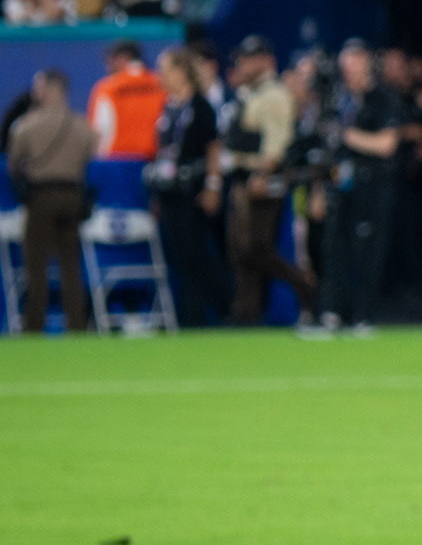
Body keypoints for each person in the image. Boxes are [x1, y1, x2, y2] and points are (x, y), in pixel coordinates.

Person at [221, 34, 317, 325]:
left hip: (261, 179)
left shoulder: (274, 95)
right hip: (243, 177)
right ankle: (246, 310)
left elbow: (276, 143)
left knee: (255, 247)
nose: (242, 64)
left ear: (265, 61)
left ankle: (303, 283)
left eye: (248, 59)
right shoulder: (251, 93)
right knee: (240, 249)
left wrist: (263, 174)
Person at [321, 38, 402, 333]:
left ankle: (363, 315)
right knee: (334, 248)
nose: (349, 73)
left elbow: (387, 144)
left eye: (354, 66)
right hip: (340, 183)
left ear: (366, 63)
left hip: (373, 184)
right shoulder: (338, 98)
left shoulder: (384, 98)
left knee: (367, 250)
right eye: (345, 68)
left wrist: (347, 136)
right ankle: (332, 313)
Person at [5, 66, 94, 333]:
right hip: (72, 195)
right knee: (71, 265)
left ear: (50, 90)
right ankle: (77, 326)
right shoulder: (82, 126)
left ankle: (34, 327)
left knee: (36, 266)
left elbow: (13, 163)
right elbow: (89, 156)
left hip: (41, 197)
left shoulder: (27, 125)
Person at [147, 44, 222, 325]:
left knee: (196, 254)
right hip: (170, 191)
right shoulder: (168, 107)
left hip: (194, 189)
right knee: (178, 255)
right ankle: (190, 317)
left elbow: (214, 147)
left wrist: (213, 186)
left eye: (164, 70)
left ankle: (216, 310)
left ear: (181, 71)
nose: (159, 76)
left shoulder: (201, 107)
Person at [87, 40, 168, 157]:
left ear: (123, 58)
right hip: (154, 159)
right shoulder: (162, 84)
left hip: (116, 161)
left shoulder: (106, 88)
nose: (107, 66)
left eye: (111, 59)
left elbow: (98, 130)